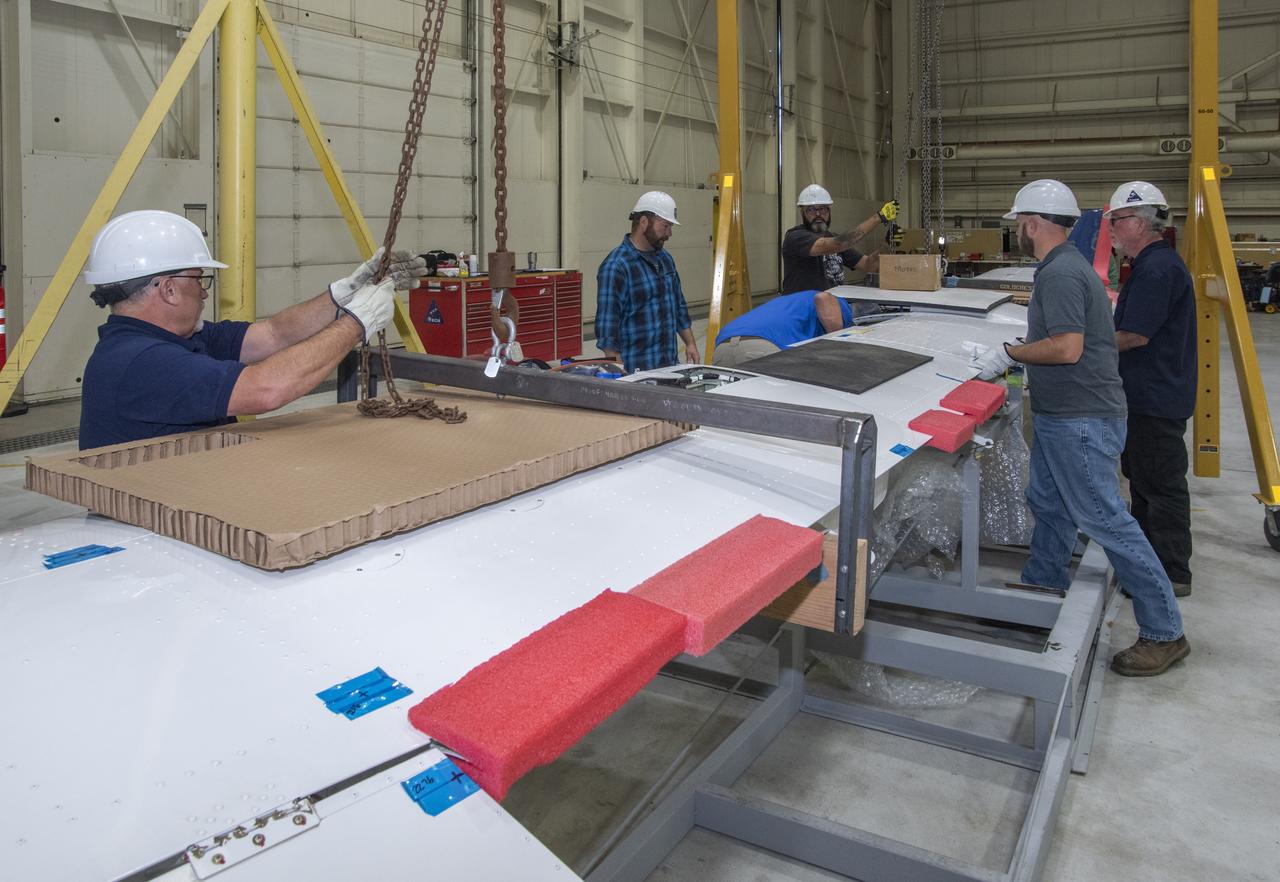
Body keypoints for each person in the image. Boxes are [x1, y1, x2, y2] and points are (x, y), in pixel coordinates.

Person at [973, 179, 1188, 677]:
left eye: (1020, 224)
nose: (1021, 232)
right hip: (1061, 413)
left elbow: (1067, 348)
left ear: (1031, 223)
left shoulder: (1061, 274)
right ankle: (1041, 592)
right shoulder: (1061, 267)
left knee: (1105, 520)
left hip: (1082, 418)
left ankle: (1165, 631)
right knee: (1049, 505)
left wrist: (1008, 354)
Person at [79, 210, 425, 449]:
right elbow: (266, 390)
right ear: (168, 289)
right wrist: (355, 323)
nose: (204, 291)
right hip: (147, 529)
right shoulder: (140, 362)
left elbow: (274, 334)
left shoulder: (183, 338)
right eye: (199, 280)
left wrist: (342, 295)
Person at [1104, 181, 1197, 597]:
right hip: (1149, 394)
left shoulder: (1157, 269)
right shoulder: (1150, 265)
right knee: (1143, 483)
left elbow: (1134, 335)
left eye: (1116, 221)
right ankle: (1150, 566)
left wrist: (1082, 343)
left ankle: (1171, 573)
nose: (1111, 230)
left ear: (1140, 224)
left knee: (1159, 487)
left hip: (1155, 398)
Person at [595, 191, 699, 372]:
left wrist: (690, 343)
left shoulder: (665, 260)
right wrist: (617, 369)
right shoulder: (617, 266)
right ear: (644, 222)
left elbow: (679, 307)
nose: (669, 233)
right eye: (665, 226)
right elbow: (607, 326)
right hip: (636, 371)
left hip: (669, 367)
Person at [781, 184, 897, 296]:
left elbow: (869, 265)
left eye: (823, 209)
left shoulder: (833, 238)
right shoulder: (796, 237)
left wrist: (887, 244)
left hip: (830, 309)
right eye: (811, 210)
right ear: (802, 212)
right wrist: (878, 218)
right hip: (803, 310)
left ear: (829, 211)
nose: (818, 214)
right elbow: (839, 244)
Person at [711, 289, 855, 368]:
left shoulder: (790, 302)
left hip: (722, 348)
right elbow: (823, 298)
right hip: (763, 347)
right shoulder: (840, 303)